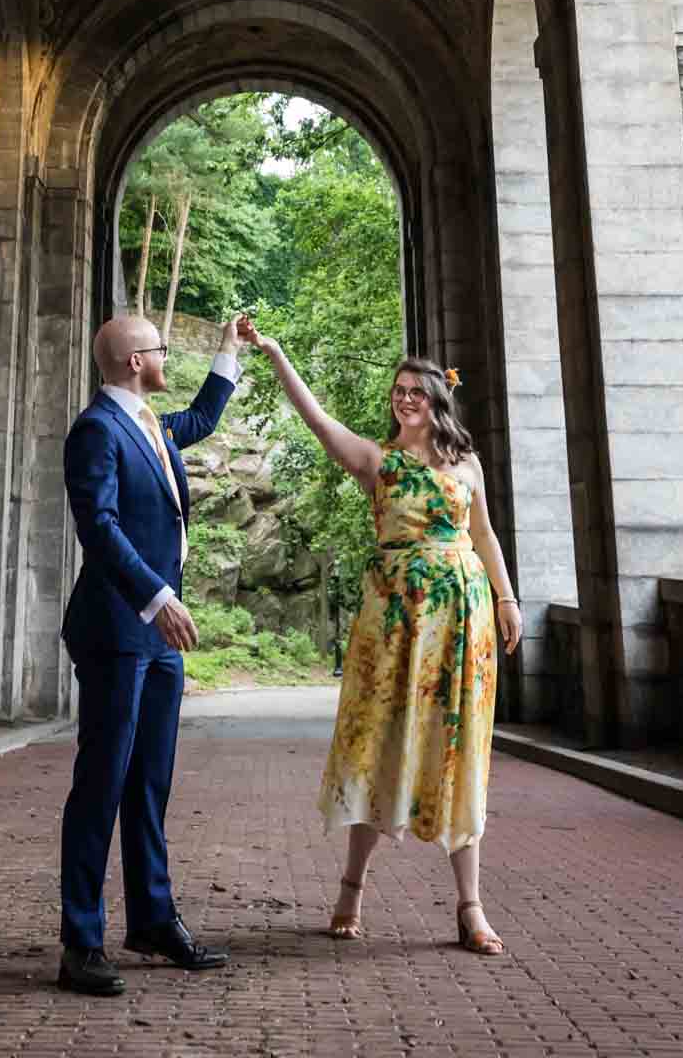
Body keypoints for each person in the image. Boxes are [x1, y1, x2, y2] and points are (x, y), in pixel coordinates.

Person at [238, 317, 522, 954]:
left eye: (416, 390)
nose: (404, 398)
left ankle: (470, 908)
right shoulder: (377, 461)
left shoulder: (466, 465)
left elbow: (483, 537)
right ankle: (350, 891)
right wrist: (278, 355)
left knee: (459, 749)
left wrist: (506, 598)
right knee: (375, 744)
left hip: (460, 619)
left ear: (436, 400)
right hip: (393, 622)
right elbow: (316, 422)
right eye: (398, 390)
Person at [57, 312, 241, 996]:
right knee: (100, 786)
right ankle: (80, 942)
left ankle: (153, 921)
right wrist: (156, 597)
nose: (168, 355)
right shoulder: (96, 431)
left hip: (157, 638)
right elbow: (96, 525)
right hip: (116, 628)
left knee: (149, 783)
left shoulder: (149, 426)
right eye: (161, 348)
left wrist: (227, 352)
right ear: (136, 361)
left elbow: (198, 421)